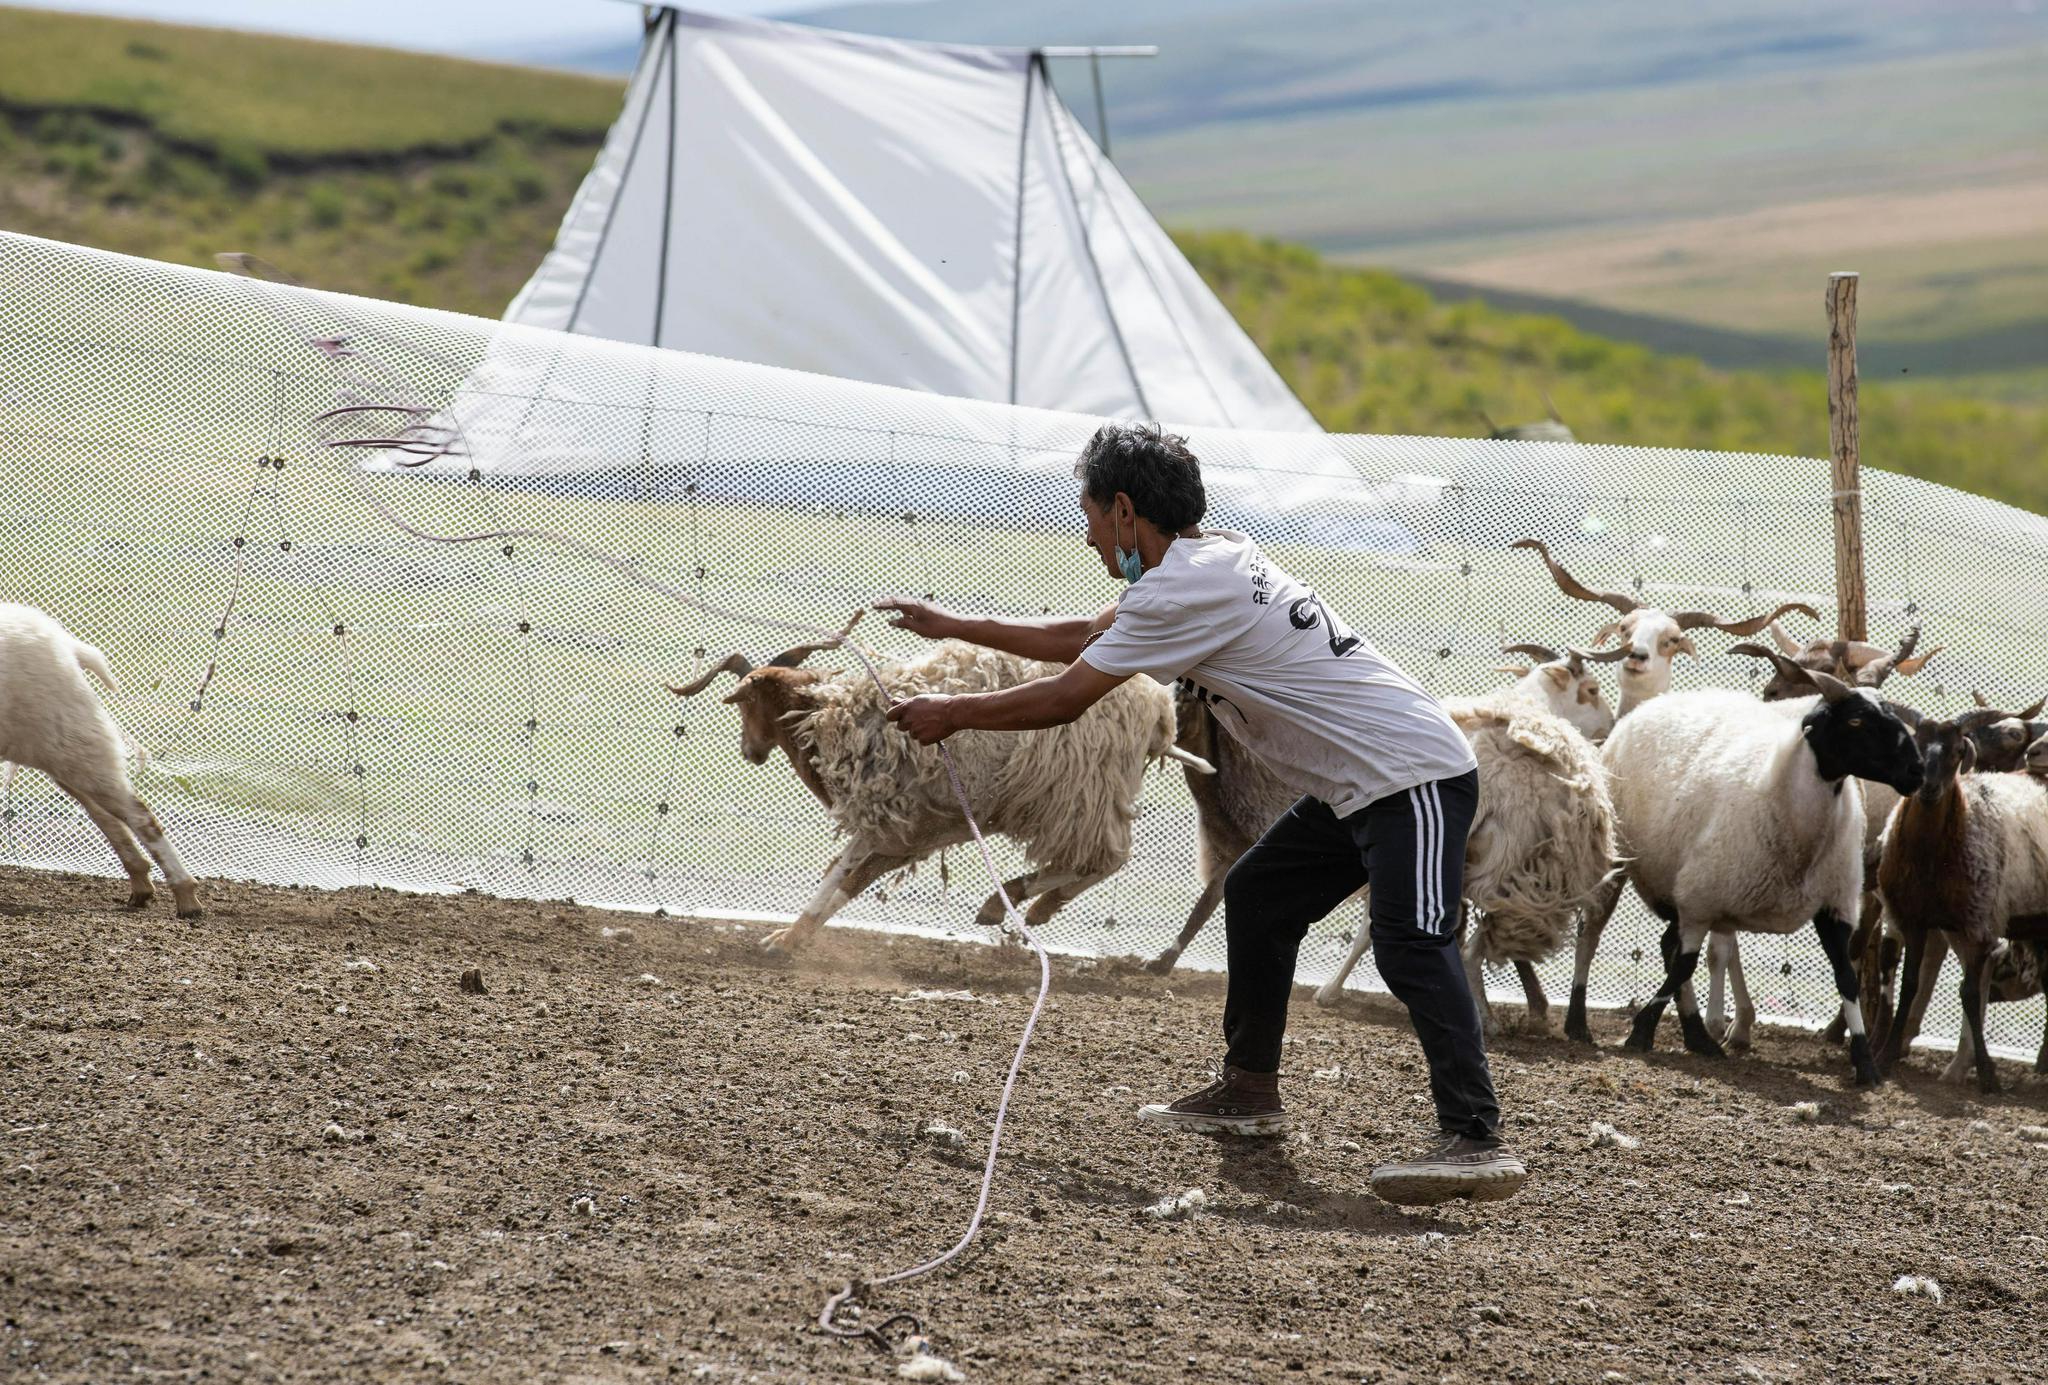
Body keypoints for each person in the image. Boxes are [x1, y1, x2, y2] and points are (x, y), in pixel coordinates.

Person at [878, 422, 1525, 1207]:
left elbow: (1064, 695)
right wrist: (953, 624)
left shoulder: (1183, 588)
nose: (1086, 537)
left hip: (1412, 774)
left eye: (1088, 516)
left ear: (1123, 510)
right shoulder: (1211, 558)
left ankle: (1476, 1137)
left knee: (1411, 944)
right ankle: (1249, 1090)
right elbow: (1087, 637)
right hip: (1361, 782)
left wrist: (954, 711)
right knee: (1258, 894)